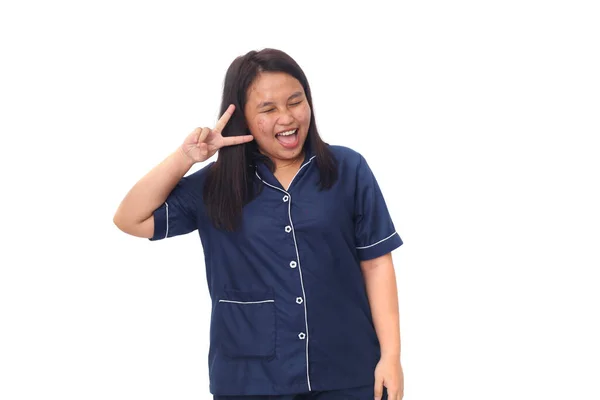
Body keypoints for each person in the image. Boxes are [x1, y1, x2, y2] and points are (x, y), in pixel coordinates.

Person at [113, 48, 404, 400]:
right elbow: (130, 218)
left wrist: (391, 357)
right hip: (249, 381)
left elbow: (375, 263)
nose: (286, 117)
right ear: (244, 119)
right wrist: (184, 158)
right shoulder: (215, 185)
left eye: (295, 102)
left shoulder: (348, 169)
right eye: (268, 109)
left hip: (348, 371)